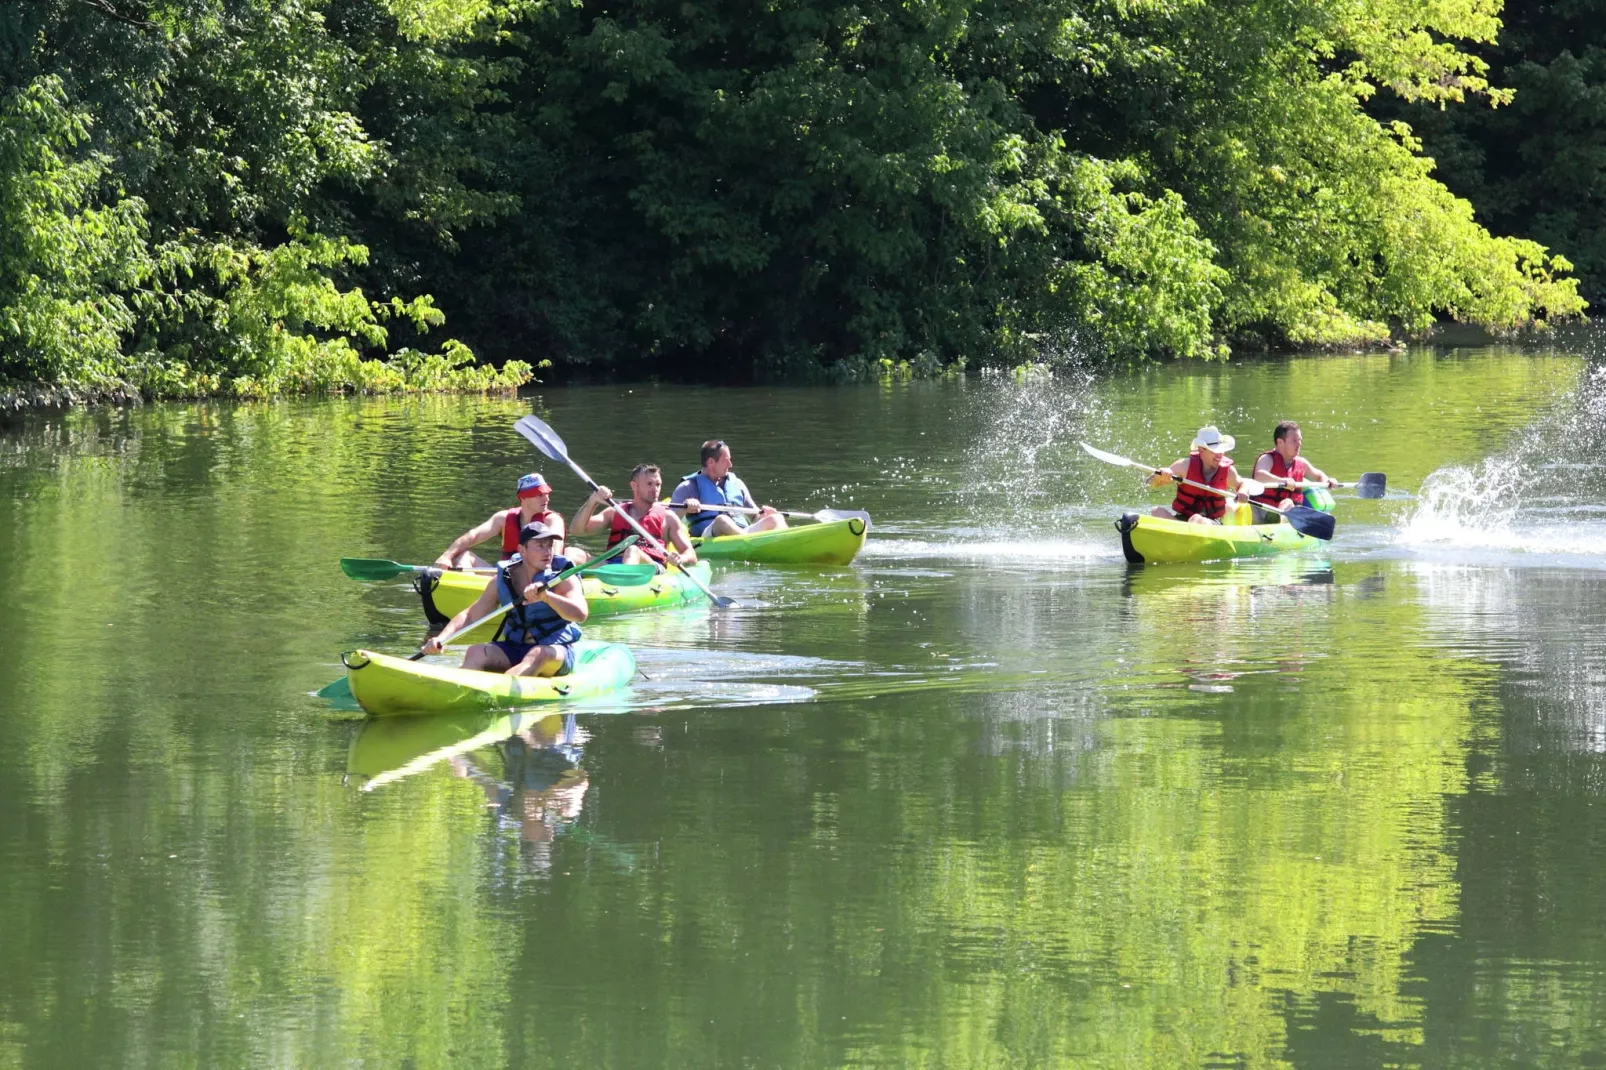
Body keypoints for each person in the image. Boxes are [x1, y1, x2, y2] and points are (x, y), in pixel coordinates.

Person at [421, 521, 588, 677]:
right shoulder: (503, 579)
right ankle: (454, 689)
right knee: (476, 651)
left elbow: (580, 614)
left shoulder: (563, 577)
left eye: (550, 546)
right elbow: (470, 615)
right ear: (522, 550)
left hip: (556, 650)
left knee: (538, 654)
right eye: (540, 546)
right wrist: (441, 639)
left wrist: (547, 597)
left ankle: (498, 693)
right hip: (515, 647)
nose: (548, 552)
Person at [433, 473, 583, 570]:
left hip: (539, 578)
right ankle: (470, 599)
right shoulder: (504, 518)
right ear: (523, 498)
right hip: (507, 575)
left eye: (546, 494)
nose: (546, 499)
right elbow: (473, 536)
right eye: (539, 495)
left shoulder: (552, 520)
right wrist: (447, 555)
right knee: (463, 556)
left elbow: (554, 554)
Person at [569, 463, 699, 570]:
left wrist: (680, 558)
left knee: (632, 551)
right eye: (649, 484)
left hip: (649, 568)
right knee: (571, 552)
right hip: (613, 566)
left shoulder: (668, 518)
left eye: (658, 484)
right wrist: (593, 501)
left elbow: (691, 555)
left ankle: (622, 586)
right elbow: (577, 530)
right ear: (634, 486)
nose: (655, 489)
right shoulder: (615, 512)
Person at [669, 439, 787, 538]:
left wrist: (763, 515)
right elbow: (666, 520)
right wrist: (684, 508)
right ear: (711, 462)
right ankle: (748, 542)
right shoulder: (688, 487)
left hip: (742, 532)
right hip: (707, 536)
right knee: (722, 520)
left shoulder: (737, 484)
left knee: (776, 518)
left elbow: (754, 517)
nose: (730, 465)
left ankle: (784, 541)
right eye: (726, 461)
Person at [1147, 426, 1251, 525]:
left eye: (1221, 450)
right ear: (1201, 450)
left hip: (1212, 523)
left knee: (1197, 519)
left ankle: (1184, 535)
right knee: (1156, 511)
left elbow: (1242, 484)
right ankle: (1183, 534)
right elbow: (1151, 484)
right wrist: (1159, 475)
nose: (1219, 455)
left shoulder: (1228, 471)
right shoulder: (1183, 466)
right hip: (1182, 520)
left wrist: (1242, 491)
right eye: (1215, 451)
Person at [1251, 420, 1339, 514]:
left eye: (1300, 440)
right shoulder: (1267, 458)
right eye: (1294, 441)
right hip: (1262, 510)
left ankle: (1282, 520)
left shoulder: (1302, 463)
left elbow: (1319, 476)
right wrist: (1282, 481)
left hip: (1289, 515)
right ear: (1280, 442)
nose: (1299, 444)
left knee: (1288, 502)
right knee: (1287, 503)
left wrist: (1328, 481)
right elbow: (1259, 476)